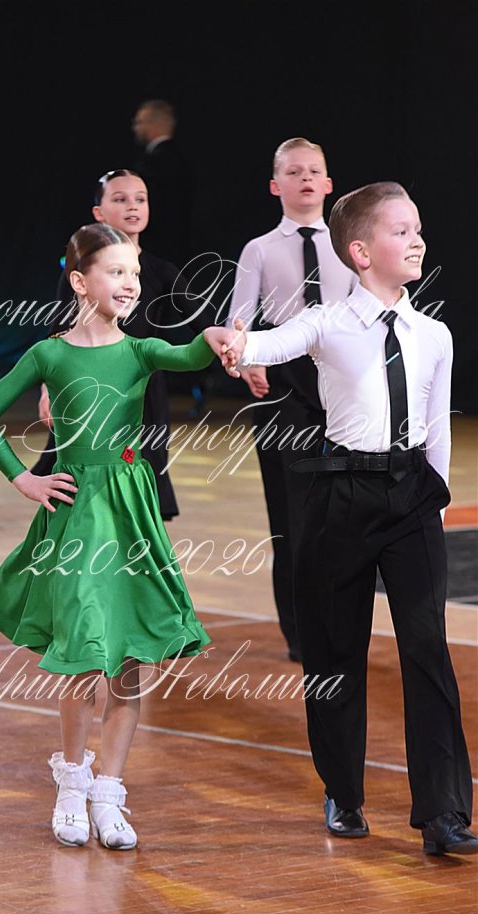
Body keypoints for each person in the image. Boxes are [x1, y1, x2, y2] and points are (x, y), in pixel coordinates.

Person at [206, 182, 477, 856]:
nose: (417, 240)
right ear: (360, 251)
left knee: (427, 649)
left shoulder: (433, 334)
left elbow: (438, 424)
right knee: (334, 650)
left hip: (412, 496)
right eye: (400, 230)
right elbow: (267, 345)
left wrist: (436, 499)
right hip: (341, 495)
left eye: (418, 228)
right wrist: (233, 343)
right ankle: (343, 791)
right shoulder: (326, 322)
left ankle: (443, 812)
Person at [0, 223, 231, 851]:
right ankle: (71, 784)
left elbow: (189, 355)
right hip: (78, 516)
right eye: (117, 271)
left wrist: (212, 338)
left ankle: (109, 791)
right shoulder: (50, 355)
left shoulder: (140, 350)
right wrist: (24, 479)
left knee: (130, 657)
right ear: (80, 281)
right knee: (85, 652)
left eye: (134, 273)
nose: (130, 283)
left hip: (132, 514)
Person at [228, 137, 355, 662]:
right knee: (292, 516)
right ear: (275, 185)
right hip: (283, 382)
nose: (305, 178)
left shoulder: (350, 244)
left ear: (328, 183)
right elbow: (239, 319)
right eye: (294, 171)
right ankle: (301, 633)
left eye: (313, 170)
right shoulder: (259, 249)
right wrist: (248, 358)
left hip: (342, 379)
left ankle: (343, 623)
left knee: (345, 510)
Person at [32, 168, 216, 521]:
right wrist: (47, 390)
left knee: (141, 490)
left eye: (140, 199)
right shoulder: (81, 270)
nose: (132, 206)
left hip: (141, 395)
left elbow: (205, 323)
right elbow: (59, 329)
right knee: (80, 495)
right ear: (99, 212)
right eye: (120, 199)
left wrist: (237, 349)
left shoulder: (161, 271)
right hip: (86, 390)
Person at [132, 100, 192, 265]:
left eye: (139, 122)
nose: (135, 128)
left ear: (154, 124)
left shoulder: (153, 164)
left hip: (156, 252)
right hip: (182, 251)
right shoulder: (183, 161)